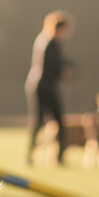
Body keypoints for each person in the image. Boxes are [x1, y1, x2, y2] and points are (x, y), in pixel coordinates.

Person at [24, 11, 74, 165]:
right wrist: (63, 72)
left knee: (45, 122)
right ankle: (44, 156)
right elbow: (51, 66)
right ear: (59, 28)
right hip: (43, 87)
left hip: (40, 85)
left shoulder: (45, 40)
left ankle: (52, 156)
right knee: (46, 121)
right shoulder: (50, 44)